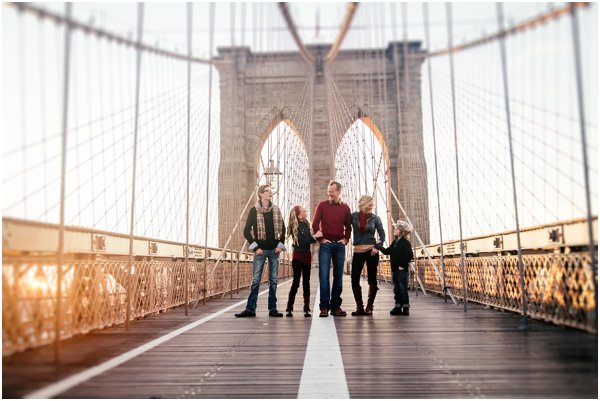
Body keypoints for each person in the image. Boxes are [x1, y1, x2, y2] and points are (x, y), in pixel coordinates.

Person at [235, 184, 286, 318]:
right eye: (268, 191)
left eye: (271, 191)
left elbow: (283, 230)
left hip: (274, 251)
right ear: (261, 194)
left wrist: (280, 246)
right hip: (260, 251)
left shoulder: (276, 210)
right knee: (256, 280)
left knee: (273, 281)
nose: (271, 193)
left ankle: (273, 309)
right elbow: (246, 231)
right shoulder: (253, 211)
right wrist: (256, 247)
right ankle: (250, 309)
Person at [312, 180, 352, 317]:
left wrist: (345, 240)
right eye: (328, 192)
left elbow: (348, 227)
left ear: (338, 192)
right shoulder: (322, 205)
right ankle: (324, 307)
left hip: (339, 246)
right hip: (326, 245)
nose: (329, 195)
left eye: (332, 193)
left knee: (338, 277)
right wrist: (321, 239)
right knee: (323, 276)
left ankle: (336, 307)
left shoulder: (346, 208)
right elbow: (315, 223)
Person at [350, 195, 385, 316]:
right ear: (363, 204)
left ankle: (369, 307)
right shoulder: (353, 216)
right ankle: (359, 307)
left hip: (372, 251)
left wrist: (377, 247)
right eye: (369, 204)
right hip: (358, 251)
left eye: (372, 204)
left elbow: (382, 235)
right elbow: (343, 226)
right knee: (354, 278)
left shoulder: (376, 219)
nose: (372, 207)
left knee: (372, 278)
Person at [285, 205, 322, 317]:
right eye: (304, 211)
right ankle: (289, 307)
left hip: (306, 256)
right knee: (296, 282)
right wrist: (315, 236)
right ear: (299, 215)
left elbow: (308, 241)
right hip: (297, 257)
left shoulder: (306, 223)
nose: (306, 212)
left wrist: (315, 237)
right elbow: (301, 241)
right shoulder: (293, 226)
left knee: (307, 282)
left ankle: (306, 308)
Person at [377, 220, 414, 316]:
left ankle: (405, 307)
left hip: (402, 269)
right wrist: (379, 246)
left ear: (401, 231)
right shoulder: (395, 242)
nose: (394, 229)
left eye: (396, 228)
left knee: (402, 288)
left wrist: (402, 265)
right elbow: (387, 251)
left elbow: (409, 255)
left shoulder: (405, 242)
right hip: (395, 269)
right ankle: (398, 306)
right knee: (396, 288)